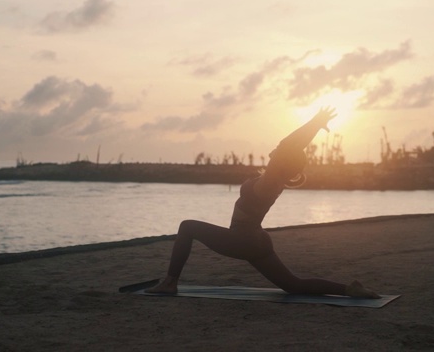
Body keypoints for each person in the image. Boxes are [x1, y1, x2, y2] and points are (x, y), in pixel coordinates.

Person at [146, 107, 379, 298]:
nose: (276, 148)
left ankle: (169, 282)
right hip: (256, 239)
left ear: (282, 160)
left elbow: (289, 145)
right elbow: (290, 147)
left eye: (279, 151)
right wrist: (315, 125)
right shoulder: (273, 181)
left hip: (243, 239)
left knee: (187, 227)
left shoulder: (270, 181)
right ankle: (349, 289)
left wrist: (314, 123)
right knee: (294, 286)